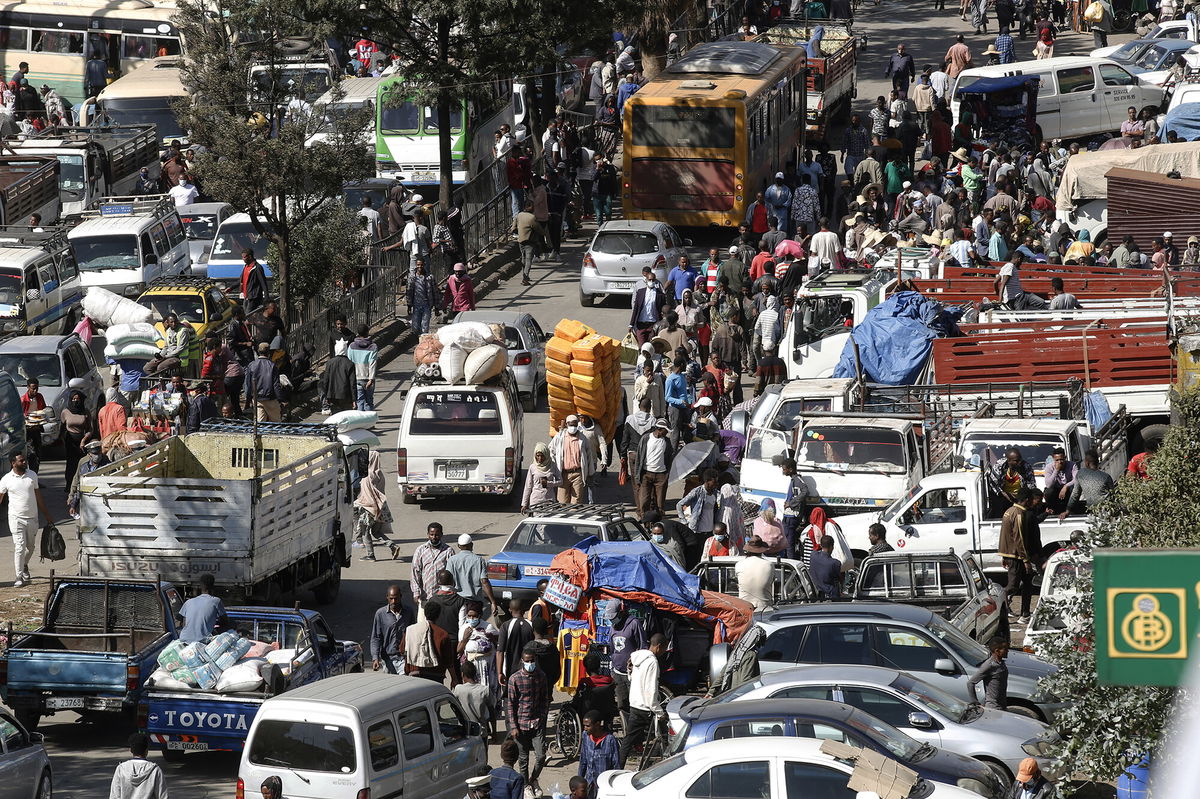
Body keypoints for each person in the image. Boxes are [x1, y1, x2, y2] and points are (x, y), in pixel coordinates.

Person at [506, 644, 551, 797]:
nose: (530, 664)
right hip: (521, 724)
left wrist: (543, 716)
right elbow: (510, 704)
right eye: (527, 661)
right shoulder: (514, 679)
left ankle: (533, 779)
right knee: (523, 759)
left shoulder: (541, 676)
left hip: (537, 722)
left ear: (535, 660)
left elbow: (545, 699)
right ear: (522, 661)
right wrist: (513, 726)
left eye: (532, 661)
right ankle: (525, 785)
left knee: (541, 756)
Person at [0, 452, 50, 588]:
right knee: (19, 547)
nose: (24, 462)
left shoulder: (32, 475)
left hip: (32, 518)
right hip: (16, 518)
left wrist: (46, 514)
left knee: (31, 547)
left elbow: (38, 495)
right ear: (13, 463)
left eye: (25, 460)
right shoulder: (6, 479)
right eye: (21, 461)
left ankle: (24, 564)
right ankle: (19, 576)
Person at [619, 633, 667, 766]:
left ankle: (618, 765)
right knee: (663, 736)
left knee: (628, 740)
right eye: (664, 648)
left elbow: (632, 679)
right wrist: (659, 712)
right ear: (658, 646)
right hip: (644, 708)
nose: (664, 652)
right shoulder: (652, 662)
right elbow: (650, 690)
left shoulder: (637, 658)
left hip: (634, 703)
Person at [999, 488, 1039, 623]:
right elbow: (1019, 538)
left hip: (1011, 555)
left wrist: (1003, 556)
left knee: (1027, 583)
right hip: (1017, 556)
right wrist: (1026, 560)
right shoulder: (1019, 514)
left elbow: (1005, 536)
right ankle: (1002, 609)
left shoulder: (1008, 511)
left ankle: (1025, 613)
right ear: (1027, 500)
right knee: (1012, 586)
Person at [404, 602, 460, 685]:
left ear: (425, 613)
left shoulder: (411, 630)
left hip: (415, 674)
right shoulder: (443, 634)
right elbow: (448, 661)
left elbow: (403, 650)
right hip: (436, 677)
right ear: (438, 615)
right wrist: (454, 678)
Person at [607, 600, 645, 722]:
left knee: (636, 703)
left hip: (632, 673)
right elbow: (612, 649)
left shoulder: (634, 623)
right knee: (622, 703)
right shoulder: (612, 628)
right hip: (618, 673)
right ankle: (627, 728)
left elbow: (643, 646)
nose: (612, 620)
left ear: (621, 612)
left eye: (614, 617)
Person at [550, 414, 597, 504]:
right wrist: (554, 467)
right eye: (571, 425)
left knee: (576, 503)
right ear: (567, 425)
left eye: (575, 425)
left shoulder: (583, 438)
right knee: (562, 502)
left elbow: (588, 455)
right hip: (563, 474)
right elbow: (551, 450)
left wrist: (590, 473)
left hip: (578, 474)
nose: (573, 427)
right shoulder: (560, 437)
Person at [448, 533, 498, 618]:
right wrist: (493, 602)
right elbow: (484, 582)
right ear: (471, 544)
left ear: (458, 546)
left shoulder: (452, 560)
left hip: (457, 600)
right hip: (474, 602)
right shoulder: (479, 560)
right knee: (474, 627)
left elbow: (448, 580)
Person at [109, 732, 168, 799]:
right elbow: (163, 796)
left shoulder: (121, 769)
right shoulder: (155, 770)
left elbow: (114, 796)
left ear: (130, 750)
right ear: (146, 750)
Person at [370, 584, 413, 673]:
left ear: (401, 597)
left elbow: (413, 635)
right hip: (387, 659)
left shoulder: (409, 612)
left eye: (396, 598)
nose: (394, 601)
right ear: (387, 598)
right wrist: (375, 658)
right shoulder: (380, 614)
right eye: (391, 598)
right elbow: (376, 638)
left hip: (403, 659)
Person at [177, 573, 230, 642]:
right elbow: (225, 621)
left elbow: (179, 620)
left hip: (184, 639)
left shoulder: (188, 602)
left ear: (200, 586)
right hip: (202, 642)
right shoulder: (216, 601)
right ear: (213, 586)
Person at [676, 468, 720, 550]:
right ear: (707, 481)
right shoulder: (697, 492)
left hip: (710, 531)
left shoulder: (715, 493)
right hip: (697, 531)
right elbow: (679, 504)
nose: (716, 484)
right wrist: (684, 521)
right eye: (714, 482)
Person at [1064, 449, 1115, 517]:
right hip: (1106, 511)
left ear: (1087, 463)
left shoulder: (1081, 474)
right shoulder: (1107, 477)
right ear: (1098, 462)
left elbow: (1075, 495)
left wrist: (1067, 511)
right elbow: (1113, 496)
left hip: (1092, 510)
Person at [455, 660, 496, 743]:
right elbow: (492, 713)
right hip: (481, 733)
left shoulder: (458, 689)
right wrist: (494, 732)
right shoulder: (484, 690)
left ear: (462, 674)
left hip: (465, 732)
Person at [411, 522, 452, 606]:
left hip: (442, 596)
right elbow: (415, 572)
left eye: (437, 535)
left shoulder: (448, 551)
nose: (434, 537)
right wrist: (416, 592)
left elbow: (452, 573)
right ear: (428, 534)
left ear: (441, 535)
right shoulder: (420, 550)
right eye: (431, 534)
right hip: (425, 596)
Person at [578, 712, 620, 795]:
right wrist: (579, 781)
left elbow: (616, 765)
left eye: (588, 726)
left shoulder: (610, 740)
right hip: (589, 784)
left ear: (597, 724)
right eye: (584, 726)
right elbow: (583, 760)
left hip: (604, 785)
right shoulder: (586, 736)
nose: (585, 728)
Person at [496, 598, 535, 686]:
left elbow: (500, 651)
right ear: (524, 610)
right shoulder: (531, 625)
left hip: (510, 670)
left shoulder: (505, 626)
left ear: (510, 610)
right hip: (529, 668)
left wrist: (500, 673)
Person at [244, 343, 284, 422]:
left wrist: (248, 400)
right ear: (268, 353)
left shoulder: (251, 365)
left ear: (258, 351)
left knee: (260, 424)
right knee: (276, 423)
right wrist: (281, 399)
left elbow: (248, 385)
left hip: (257, 399)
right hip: (270, 399)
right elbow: (276, 385)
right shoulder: (272, 366)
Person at [990, 447, 1037, 513]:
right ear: (1009, 460)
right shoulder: (999, 465)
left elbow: (1031, 485)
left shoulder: (1026, 466)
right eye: (1016, 461)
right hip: (1003, 495)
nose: (1019, 462)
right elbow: (993, 483)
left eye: (1020, 460)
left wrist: (1022, 497)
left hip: (1020, 497)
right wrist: (1005, 494)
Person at [967, 637, 1010, 709]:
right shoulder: (989, 665)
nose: (1008, 651)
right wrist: (975, 702)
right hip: (993, 708)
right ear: (997, 651)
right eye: (1005, 649)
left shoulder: (1000, 663)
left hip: (1002, 706)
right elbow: (970, 683)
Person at [736, 536, 775, 610]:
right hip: (765, 606)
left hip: (744, 606)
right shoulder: (769, 565)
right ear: (762, 550)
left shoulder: (739, 564)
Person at [520, 442, 561, 513]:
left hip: (549, 501)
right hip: (535, 501)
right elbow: (528, 487)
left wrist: (549, 483)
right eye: (537, 456)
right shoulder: (532, 467)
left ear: (546, 455)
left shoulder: (552, 466)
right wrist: (524, 504)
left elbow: (560, 481)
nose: (540, 458)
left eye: (542, 456)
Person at [512, 202, 546, 286]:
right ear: (531, 207)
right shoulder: (532, 217)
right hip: (529, 241)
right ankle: (525, 277)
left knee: (523, 259)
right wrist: (544, 233)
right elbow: (538, 229)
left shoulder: (519, 215)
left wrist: (520, 232)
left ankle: (525, 275)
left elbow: (513, 228)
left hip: (520, 241)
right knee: (528, 260)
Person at [347, 325, 378, 411]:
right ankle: (369, 423)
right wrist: (371, 379)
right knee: (369, 402)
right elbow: (372, 363)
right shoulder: (373, 347)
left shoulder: (351, 346)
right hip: (368, 378)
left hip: (356, 378)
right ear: (367, 332)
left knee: (359, 401)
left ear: (358, 333)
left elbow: (349, 363)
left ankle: (360, 422)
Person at [407, 257, 441, 334]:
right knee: (415, 326)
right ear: (416, 265)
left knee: (425, 327)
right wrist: (409, 305)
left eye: (421, 265)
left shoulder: (430, 277)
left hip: (427, 304)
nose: (420, 267)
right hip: (416, 304)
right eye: (418, 265)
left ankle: (422, 343)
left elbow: (435, 292)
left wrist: (436, 306)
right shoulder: (412, 278)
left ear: (424, 265)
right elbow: (409, 291)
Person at [1042, 447, 1077, 514]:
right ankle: (1051, 510)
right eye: (1057, 460)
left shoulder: (1072, 465)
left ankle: (1071, 510)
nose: (1059, 462)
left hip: (1067, 489)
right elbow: (1048, 484)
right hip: (1055, 490)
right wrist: (1056, 470)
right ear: (1053, 459)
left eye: (1061, 459)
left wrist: (1066, 486)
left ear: (1065, 458)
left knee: (1074, 489)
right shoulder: (1049, 467)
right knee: (1048, 491)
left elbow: (1076, 479)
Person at [810, 535, 843, 599]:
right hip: (830, 595)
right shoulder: (835, 563)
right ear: (832, 547)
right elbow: (838, 579)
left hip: (815, 593)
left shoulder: (813, 555)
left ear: (821, 545)